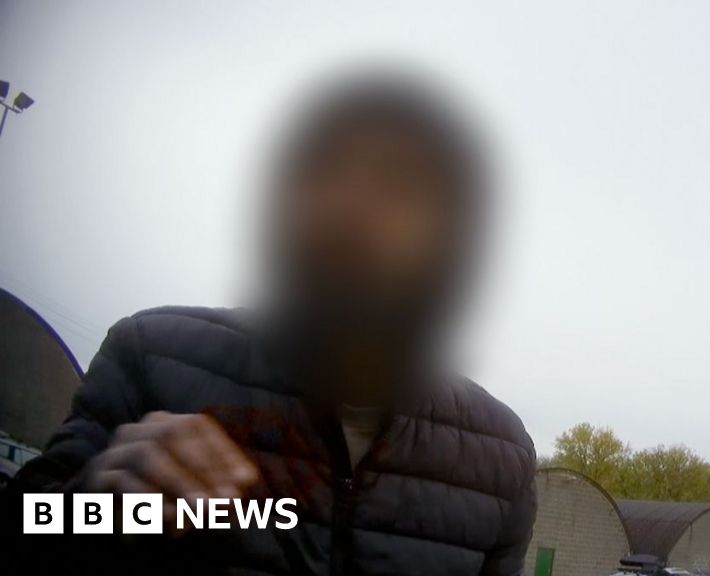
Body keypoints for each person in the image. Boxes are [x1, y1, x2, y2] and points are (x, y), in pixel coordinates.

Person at [6, 73, 537, 575]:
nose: (350, 206)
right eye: (324, 171)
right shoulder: (151, 358)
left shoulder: (502, 456)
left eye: (399, 185)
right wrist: (95, 508)